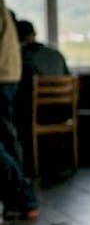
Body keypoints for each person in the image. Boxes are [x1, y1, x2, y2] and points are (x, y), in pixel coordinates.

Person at [0, 0, 38, 219]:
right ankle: (20, 197)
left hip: (1, 77)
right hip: (7, 77)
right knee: (6, 137)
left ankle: (23, 196)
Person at [16, 20, 71, 177]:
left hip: (38, 113)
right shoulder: (56, 54)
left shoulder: (21, 57)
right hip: (63, 110)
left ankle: (25, 167)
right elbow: (67, 76)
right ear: (34, 34)